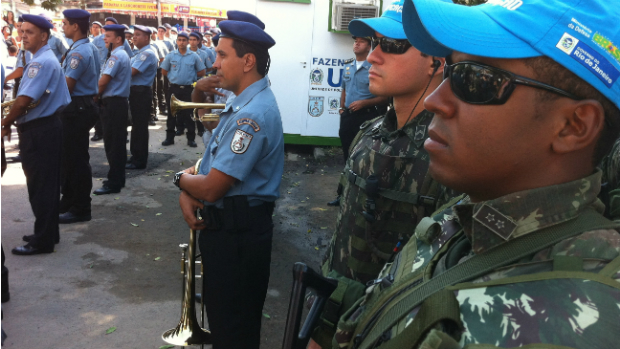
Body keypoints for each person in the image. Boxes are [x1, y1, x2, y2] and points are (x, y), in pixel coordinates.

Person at [311, 0, 620, 348]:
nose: (435, 101)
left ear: (573, 126)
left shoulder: (590, 316)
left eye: (476, 80)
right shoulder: (462, 215)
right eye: (450, 73)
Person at [310, 3, 455, 344]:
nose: (373, 57)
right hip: (333, 314)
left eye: (390, 45)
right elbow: (342, 238)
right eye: (374, 44)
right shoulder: (370, 133)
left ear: (436, 61)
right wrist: (321, 323)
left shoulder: (450, 156)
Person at [176, 11, 282, 348]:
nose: (215, 63)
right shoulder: (242, 101)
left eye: (222, 55)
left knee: (232, 331)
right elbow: (213, 156)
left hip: (237, 236)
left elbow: (211, 186)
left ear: (247, 61)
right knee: (228, 325)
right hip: (232, 231)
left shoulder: (252, 114)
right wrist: (190, 185)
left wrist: (179, 180)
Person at [1, 14, 71, 255]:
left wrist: (5, 122)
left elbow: (22, 102)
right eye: (22, 31)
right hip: (45, 128)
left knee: (40, 187)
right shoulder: (42, 58)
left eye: (29, 32)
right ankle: (48, 233)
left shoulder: (40, 62)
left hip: (40, 130)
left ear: (44, 36)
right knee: (46, 186)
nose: (23, 36)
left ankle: (43, 241)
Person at [327, 35, 388, 206]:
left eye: (361, 42)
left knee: (364, 157)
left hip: (367, 117)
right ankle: (343, 195)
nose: (356, 44)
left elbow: (385, 97)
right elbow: (344, 89)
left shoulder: (374, 68)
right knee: (347, 155)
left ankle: (360, 197)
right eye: (355, 41)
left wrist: (364, 103)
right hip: (348, 117)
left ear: (369, 47)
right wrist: (341, 108)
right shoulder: (348, 66)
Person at [58, 9, 101, 224]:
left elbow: (67, 85)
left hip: (77, 108)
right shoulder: (87, 47)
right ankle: (69, 200)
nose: (62, 26)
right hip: (81, 106)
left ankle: (81, 207)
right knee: (70, 158)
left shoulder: (78, 52)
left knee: (76, 160)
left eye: (65, 23)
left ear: (75, 26)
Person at [93, 23, 131, 195]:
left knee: (113, 145)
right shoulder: (118, 54)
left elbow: (103, 81)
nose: (104, 38)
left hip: (114, 104)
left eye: (107, 36)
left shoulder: (116, 56)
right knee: (116, 144)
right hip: (117, 103)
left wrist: (94, 96)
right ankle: (117, 179)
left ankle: (114, 182)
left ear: (118, 39)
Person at [160, 31, 205, 147]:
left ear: (188, 42)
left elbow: (202, 71)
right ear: (176, 41)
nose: (181, 42)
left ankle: (191, 138)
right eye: (179, 40)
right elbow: (164, 71)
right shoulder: (171, 55)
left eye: (184, 40)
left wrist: (192, 77)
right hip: (174, 89)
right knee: (171, 115)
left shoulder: (194, 56)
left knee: (189, 114)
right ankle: (169, 138)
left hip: (188, 89)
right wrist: (173, 77)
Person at [126, 25, 157, 170]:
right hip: (136, 92)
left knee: (139, 127)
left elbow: (131, 72)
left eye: (138, 34)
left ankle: (139, 160)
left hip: (140, 93)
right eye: (134, 34)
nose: (134, 37)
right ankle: (135, 156)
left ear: (147, 37)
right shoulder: (138, 53)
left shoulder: (147, 54)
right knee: (136, 127)